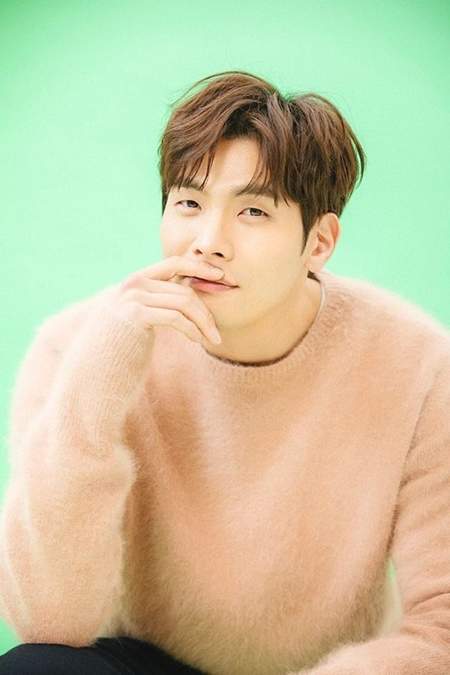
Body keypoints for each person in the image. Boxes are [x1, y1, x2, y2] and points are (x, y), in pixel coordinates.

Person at [0, 70, 448, 675]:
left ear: (319, 242)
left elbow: (440, 629)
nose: (208, 242)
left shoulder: (419, 366)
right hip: (147, 662)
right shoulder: (73, 348)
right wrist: (98, 381)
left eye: (253, 211)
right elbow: (49, 623)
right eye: (189, 203)